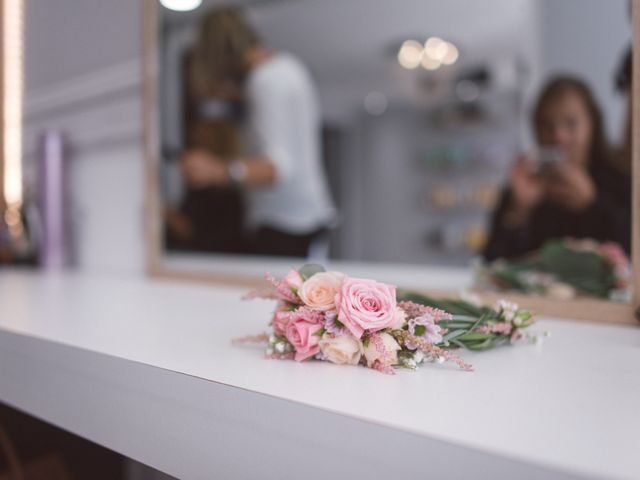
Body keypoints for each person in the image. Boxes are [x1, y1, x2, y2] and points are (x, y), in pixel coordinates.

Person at [181, 7, 336, 257]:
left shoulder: (264, 82)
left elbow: (277, 167)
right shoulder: (290, 67)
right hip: (309, 215)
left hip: (283, 223)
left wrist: (218, 171)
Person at [483, 76, 631, 261]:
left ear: (592, 124)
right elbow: (491, 264)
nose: (558, 136)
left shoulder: (620, 183)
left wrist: (593, 204)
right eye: (547, 125)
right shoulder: (522, 189)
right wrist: (518, 211)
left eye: (571, 123)